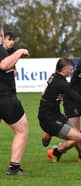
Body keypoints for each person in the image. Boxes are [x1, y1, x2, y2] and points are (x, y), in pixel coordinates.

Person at [38, 58, 81, 163]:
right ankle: (55, 152)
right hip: (48, 118)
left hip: (55, 115)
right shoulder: (61, 83)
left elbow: (71, 91)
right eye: (70, 69)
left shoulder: (55, 77)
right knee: (78, 137)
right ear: (64, 69)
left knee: (76, 134)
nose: (72, 71)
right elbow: (77, 98)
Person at [0, 31, 30, 175]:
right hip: (5, 97)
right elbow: (4, 65)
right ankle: (14, 167)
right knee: (22, 131)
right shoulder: (1, 49)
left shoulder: (5, 51)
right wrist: (20, 52)